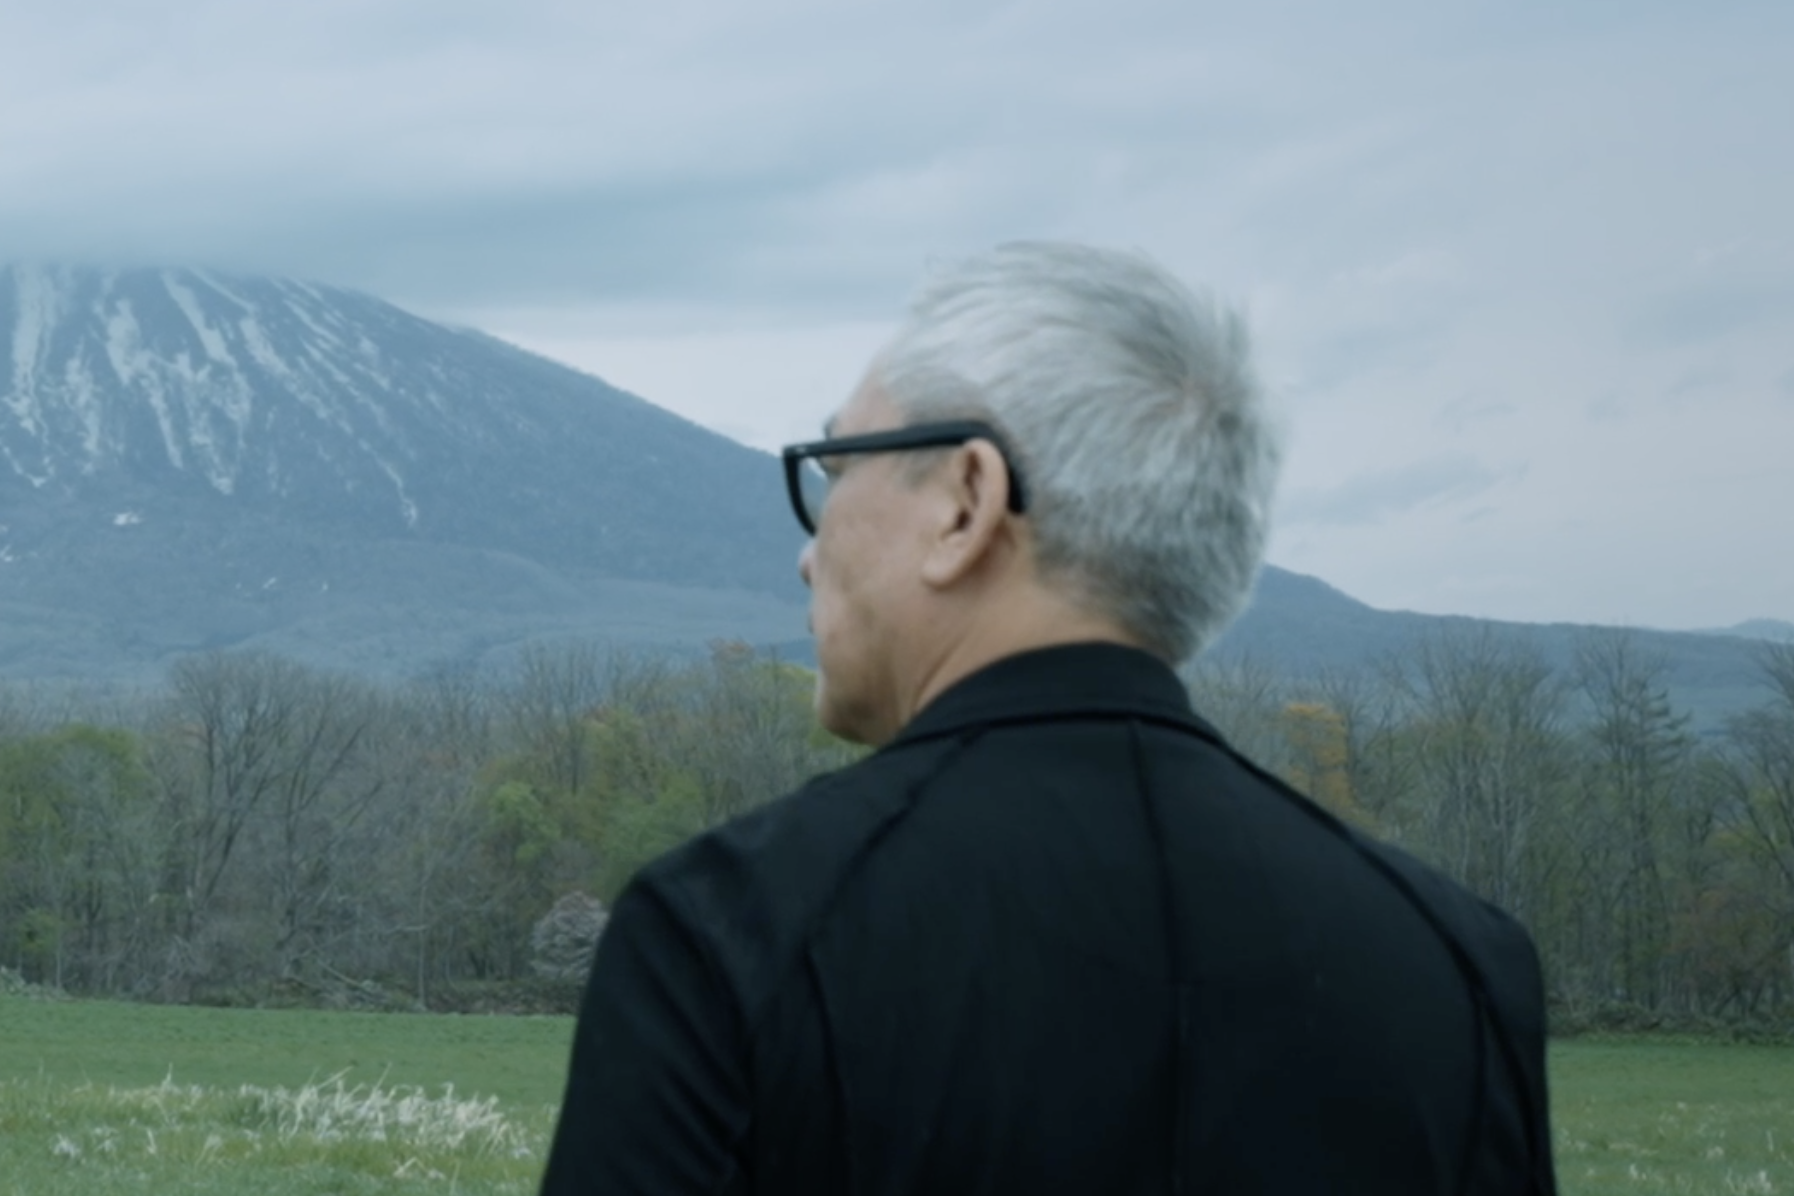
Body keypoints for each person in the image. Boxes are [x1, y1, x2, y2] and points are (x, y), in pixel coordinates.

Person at [540, 242, 1556, 1194]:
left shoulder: (727, 934)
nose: (810, 550)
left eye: (837, 468)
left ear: (965, 501)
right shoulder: (1456, 965)